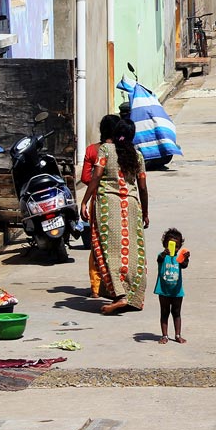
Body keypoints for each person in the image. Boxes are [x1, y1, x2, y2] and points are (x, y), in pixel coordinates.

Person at [81, 118, 149, 314]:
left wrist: (84, 201)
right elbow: (143, 188)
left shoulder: (105, 151)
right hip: (132, 206)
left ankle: (120, 296)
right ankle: (133, 296)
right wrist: (145, 212)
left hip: (108, 206)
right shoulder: (137, 156)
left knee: (109, 251)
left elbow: (96, 176)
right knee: (134, 252)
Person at [81, 114, 122, 298]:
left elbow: (86, 178)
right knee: (120, 243)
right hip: (120, 201)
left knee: (97, 243)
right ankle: (117, 283)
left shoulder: (92, 150)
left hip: (98, 201)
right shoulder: (124, 150)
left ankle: (96, 287)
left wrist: (100, 181)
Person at [154, 227, 189, 344]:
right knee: (164, 312)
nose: (174, 248)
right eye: (170, 244)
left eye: (177, 246)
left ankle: (178, 335)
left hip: (177, 291)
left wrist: (186, 258)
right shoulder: (162, 256)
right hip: (163, 290)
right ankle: (164, 336)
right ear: (165, 244)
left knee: (176, 312)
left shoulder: (179, 257)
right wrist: (165, 253)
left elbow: (184, 265)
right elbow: (159, 259)